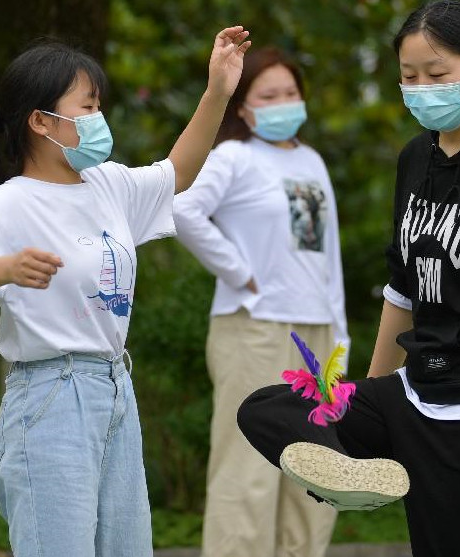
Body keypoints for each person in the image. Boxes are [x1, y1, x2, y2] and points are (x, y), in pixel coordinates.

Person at [236, 2, 460, 556]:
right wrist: (366, 399)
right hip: (411, 391)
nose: (421, 88)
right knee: (266, 408)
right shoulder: (415, 158)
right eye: (408, 77)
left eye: (437, 75)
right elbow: (402, 290)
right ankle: (358, 483)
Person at [0, 28, 250, 557]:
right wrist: (5, 267)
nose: (100, 119)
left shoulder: (108, 184)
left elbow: (177, 174)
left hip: (116, 385)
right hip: (51, 394)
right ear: (41, 121)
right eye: (88, 105)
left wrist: (217, 92)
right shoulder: (9, 204)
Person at [172, 46, 349, 557]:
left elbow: (327, 253)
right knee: (249, 467)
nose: (282, 103)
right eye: (267, 95)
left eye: (290, 93)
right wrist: (239, 272)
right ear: (244, 107)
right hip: (253, 328)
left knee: (320, 469)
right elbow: (184, 211)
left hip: (318, 333)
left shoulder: (311, 160)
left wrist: (340, 332)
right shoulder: (234, 156)